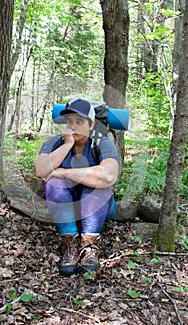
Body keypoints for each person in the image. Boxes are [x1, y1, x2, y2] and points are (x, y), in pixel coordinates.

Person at [34, 98, 119, 276]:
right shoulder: (56, 142)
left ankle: (89, 244)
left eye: (79, 122)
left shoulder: (101, 143)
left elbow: (109, 175)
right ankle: (70, 243)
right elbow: (41, 170)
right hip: (68, 206)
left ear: (91, 124)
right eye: (69, 121)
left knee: (98, 185)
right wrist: (67, 145)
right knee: (54, 182)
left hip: (100, 207)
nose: (73, 126)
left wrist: (65, 172)